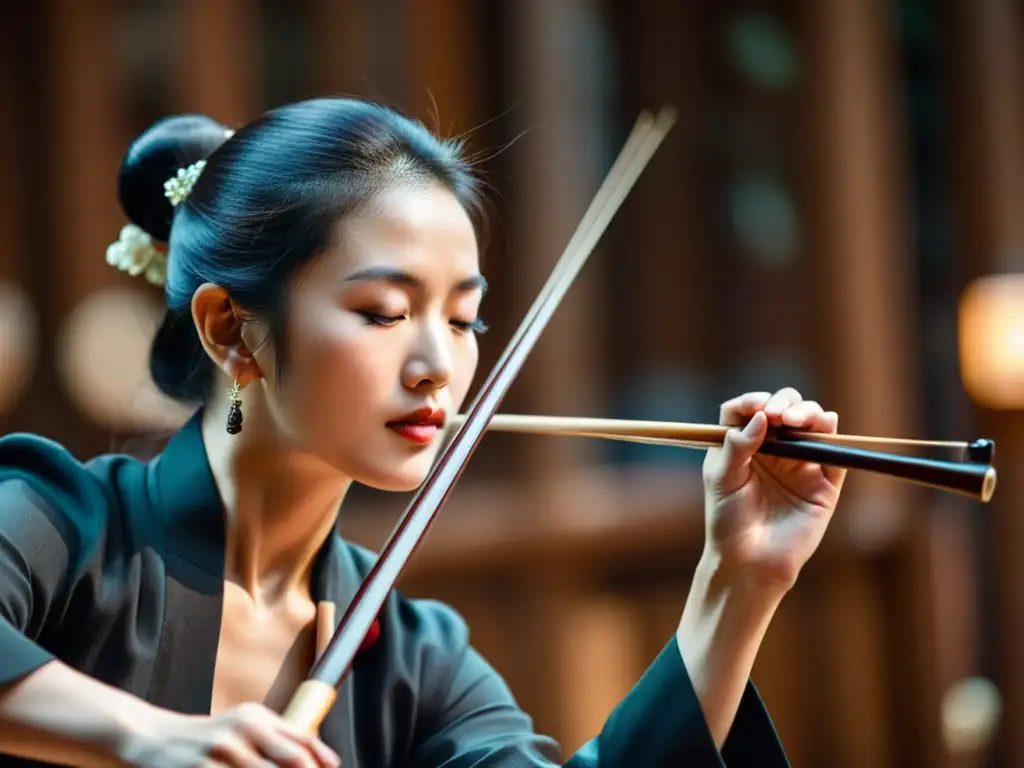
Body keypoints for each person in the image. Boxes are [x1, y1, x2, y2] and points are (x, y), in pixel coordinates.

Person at [0, 98, 846, 767]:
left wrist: (738, 582)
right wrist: (142, 737)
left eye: (466, 320)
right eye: (384, 313)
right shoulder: (59, 527)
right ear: (230, 329)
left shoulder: (416, 657)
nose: (437, 363)